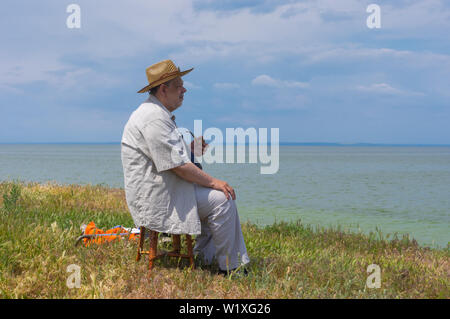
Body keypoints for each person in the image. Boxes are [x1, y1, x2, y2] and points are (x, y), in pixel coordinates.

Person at [121, 59, 250, 274]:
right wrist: (214, 182)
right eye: (179, 85)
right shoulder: (154, 118)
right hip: (158, 198)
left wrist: (190, 150)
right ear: (164, 89)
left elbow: (168, 157)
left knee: (215, 196)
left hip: (162, 190)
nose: (184, 89)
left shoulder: (155, 113)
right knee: (222, 199)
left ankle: (206, 257)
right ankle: (231, 268)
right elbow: (178, 167)